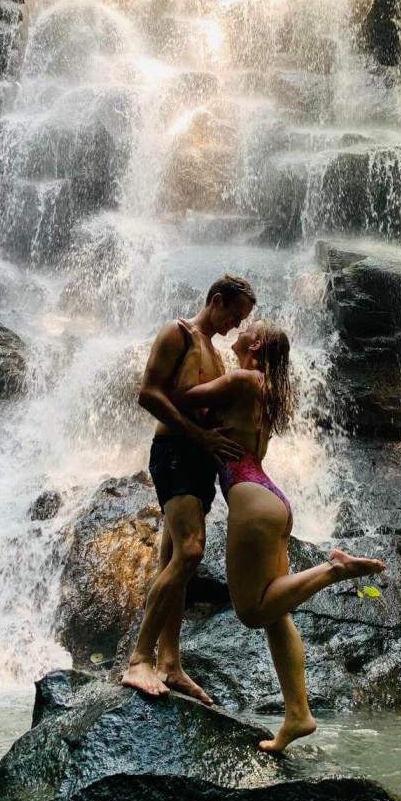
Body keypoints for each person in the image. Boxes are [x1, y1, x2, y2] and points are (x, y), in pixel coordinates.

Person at [178, 319, 385, 752]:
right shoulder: (267, 388)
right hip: (271, 498)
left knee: (252, 612)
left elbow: (181, 396)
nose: (238, 330)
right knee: (276, 615)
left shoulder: (243, 378)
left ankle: (333, 569)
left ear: (253, 345)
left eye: (247, 328)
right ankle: (297, 714)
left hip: (250, 499)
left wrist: (194, 342)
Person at [121, 273, 257, 704]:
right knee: (192, 550)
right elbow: (147, 394)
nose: (237, 325)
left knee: (173, 558)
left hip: (203, 460)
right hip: (176, 452)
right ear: (216, 301)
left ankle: (171, 664)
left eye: (244, 319)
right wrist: (199, 436)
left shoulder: (216, 354)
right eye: (235, 314)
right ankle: (139, 659)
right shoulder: (177, 333)